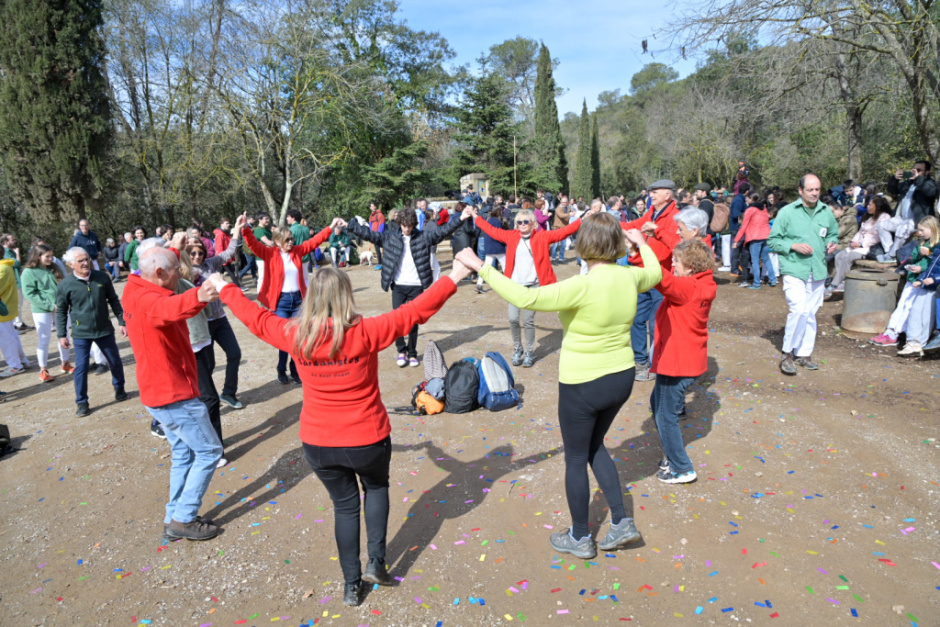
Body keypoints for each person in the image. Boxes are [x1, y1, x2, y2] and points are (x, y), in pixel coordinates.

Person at [213, 258, 473, 606]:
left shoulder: (295, 334)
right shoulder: (364, 332)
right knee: (376, 488)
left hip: (319, 443)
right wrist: (456, 273)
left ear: (310, 298)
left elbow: (255, 318)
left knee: (345, 508)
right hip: (367, 438)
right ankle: (376, 563)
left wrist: (223, 286)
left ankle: (352, 586)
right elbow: (416, 311)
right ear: (346, 296)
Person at [456, 216, 662, 560]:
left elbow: (524, 296)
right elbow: (654, 273)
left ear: (585, 245)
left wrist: (480, 266)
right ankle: (622, 521)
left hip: (583, 382)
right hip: (621, 377)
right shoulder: (631, 276)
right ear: (616, 244)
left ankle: (581, 537)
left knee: (577, 456)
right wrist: (642, 243)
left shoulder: (580, 285)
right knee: (595, 445)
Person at [122, 240, 224, 541]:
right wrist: (201, 295)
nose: (178, 275)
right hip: (173, 394)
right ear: (158, 273)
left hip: (159, 393)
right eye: (173, 271)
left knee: (183, 454)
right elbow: (168, 308)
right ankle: (183, 517)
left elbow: (167, 300)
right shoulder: (149, 301)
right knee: (209, 450)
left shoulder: (136, 287)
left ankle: (174, 514)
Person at [345, 207, 472, 367]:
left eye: (409, 226)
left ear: (413, 224)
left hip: (416, 286)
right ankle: (401, 351)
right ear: (400, 224)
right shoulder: (390, 238)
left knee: (413, 322)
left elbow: (443, 231)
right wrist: (350, 225)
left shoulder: (424, 237)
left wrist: (460, 218)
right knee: (396, 321)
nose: (406, 229)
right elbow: (370, 234)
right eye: (404, 225)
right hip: (398, 286)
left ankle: (412, 353)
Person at [473, 206, 589, 367]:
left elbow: (563, 232)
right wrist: (476, 217)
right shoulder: (511, 236)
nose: (522, 224)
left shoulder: (542, 237)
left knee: (528, 320)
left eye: (525, 221)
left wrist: (581, 220)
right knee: (513, 319)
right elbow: (491, 230)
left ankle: (528, 352)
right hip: (514, 286)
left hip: (533, 286)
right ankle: (517, 349)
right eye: (519, 221)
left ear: (533, 223)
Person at [243, 213, 340, 384]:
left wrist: (331, 227)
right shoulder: (269, 253)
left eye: (291, 239)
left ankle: (295, 370)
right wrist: (245, 229)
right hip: (281, 302)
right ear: (278, 241)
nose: (291, 242)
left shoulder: (297, 251)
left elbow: (315, 241)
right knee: (284, 338)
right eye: (287, 239)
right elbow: (252, 244)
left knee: (298, 337)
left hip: (298, 301)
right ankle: (281, 368)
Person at [649, 239, 716, 484]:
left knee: (665, 415)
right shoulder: (703, 283)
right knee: (658, 404)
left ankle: (681, 467)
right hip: (685, 360)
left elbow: (660, 278)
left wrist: (641, 248)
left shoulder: (688, 288)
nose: (672, 264)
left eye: (676, 261)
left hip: (676, 363)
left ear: (689, 267)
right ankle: (672, 455)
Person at [768, 174, 839, 375]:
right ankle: (787, 354)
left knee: (809, 313)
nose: (815, 193)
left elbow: (833, 233)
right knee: (798, 309)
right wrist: (793, 245)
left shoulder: (826, 212)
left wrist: (832, 243)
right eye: (810, 189)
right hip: (794, 268)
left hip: (817, 269)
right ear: (800, 191)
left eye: (817, 189)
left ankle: (805, 354)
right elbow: (773, 241)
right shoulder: (787, 212)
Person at [56, 247, 128, 416]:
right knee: (81, 368)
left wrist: (121, 321)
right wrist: (61, 334)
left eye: (87, 259)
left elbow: (113, 300)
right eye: (80, 261)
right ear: (70, 264)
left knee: (115, 361)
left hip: (104, 329)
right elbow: (61, 311)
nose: (85, 263)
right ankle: (82, 402)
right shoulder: (65, 285)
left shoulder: (102, 278)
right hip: (81, 333)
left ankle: (119, 389)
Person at [188, 214, 248, 409]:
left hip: (220, 319)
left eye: (200, 252)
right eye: (192, 253)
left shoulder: (210, 263)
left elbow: (230, 251)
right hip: (202, 324)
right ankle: (205, 399)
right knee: (207, 366)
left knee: (235, 353)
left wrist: (237, 228)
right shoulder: (183, 271)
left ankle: (228, 393)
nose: (197, 256)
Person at [628, 180, 682, 382]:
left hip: (662, 278)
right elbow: (632, 226)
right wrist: (605, 221)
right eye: (650, 192)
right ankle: (641, 362)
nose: (650, 195)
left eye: (655, 192)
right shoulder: (651, 213)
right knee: (637, 320)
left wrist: (658, 231)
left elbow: (677, 245)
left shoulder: (676, 216)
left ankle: (658, 364)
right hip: (643, 275)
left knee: (656, 324)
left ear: (668, 195)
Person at [869, 216, 940, 356]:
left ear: (933, 229)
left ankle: (912, 340)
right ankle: (905, 339)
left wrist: (928, 264)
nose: (920, 233)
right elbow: (926, 261)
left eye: (922, 230)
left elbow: (933, 264)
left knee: (920, 313)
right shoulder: (922, 242)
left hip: (929, 283)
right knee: (909, 308)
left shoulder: (935, 246)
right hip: (919, 280)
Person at [21, 244, 72, 382]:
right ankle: (43, 370)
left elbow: (63, 285)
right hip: (41, 311)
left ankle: (65, 363)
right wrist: (49, 306)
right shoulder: (28, 272)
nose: (51, 259)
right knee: (44, 339)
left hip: (60, 308)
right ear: (38, 257)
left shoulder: (53, 268)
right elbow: (30, 294)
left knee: (65, 334)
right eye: (47, 256)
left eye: (52, 256)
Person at [827, 196, 893, 295]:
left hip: (871, 247)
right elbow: (859, 232)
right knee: (839, 255)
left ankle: (835, 284)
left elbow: (879, 236)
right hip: (858, 245)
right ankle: (842, 281)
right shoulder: (868, 217)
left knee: (848, 257)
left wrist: (862, 244)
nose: (868, 206)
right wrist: (853, 242)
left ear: (877, 206)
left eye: (870, 204)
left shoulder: (884, 217)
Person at [878, 161, 939, 263]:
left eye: (919, 170)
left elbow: (931, 192)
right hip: (902, 218)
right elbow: (892, 190)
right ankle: (890, 252)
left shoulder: (929, 183)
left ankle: (891, 255)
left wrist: (918, 178)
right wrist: (895, 179)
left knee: (903, 228)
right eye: (914, 169)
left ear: (927, 172)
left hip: (918, 220)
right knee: (881, 225)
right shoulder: (909, 183)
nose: (915, 172)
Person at [734, 192, 777, 289]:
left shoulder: (750, 210)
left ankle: (757, 283)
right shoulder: (764, 209)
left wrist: (736, 240)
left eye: (747, 199)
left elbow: (743, 226)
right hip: (766, 236)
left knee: (755, 261)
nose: (746, 200)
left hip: (755, 237)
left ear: (751, 199)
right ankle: (773, 279)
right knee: (766, 259)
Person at [0, 255, 29, 376]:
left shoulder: (2, 269)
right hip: (6, 308)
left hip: (3, 309)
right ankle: (21, 361)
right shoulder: (5, 267)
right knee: (11, 336)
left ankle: (15, 366)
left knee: (6, 338)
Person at [475, 206, 509, 294]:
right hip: (498, 247)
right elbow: (499, 234)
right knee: (505, 266)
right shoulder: (497, 221)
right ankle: (509, 285)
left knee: (485, 267)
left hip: (489, 247)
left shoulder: (489, 220)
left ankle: (479, 284)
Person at [1, 233, 31, 331]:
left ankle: (19, 323)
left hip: (15, 281)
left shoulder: (10, 251)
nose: (15, 241)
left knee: (19, 303)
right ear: (6, 242)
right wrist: (18, 253)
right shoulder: (6, 252)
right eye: (12, 239)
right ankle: (17, 325)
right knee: (16, 303)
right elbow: (17, 263)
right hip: (12, 282)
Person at [213, 218, 242, 287]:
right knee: (231, 273)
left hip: (226, 257)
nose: (228, 225)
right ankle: (238, 287)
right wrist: (222, 259)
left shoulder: (225, 233)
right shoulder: (220, 234)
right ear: (221, 224)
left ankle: (218, 287)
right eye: (226, 223)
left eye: (228, 223)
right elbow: (219, 247)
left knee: (219, 273)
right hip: (223, 258)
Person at [251, 212, 274, 291]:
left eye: (268, 218)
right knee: (262, 277)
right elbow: (269, 243)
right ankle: (260, 294)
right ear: (259, 220)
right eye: (266, 219)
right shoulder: (259, 230)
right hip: (261, 258)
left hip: (269, 256)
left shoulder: (266, 229)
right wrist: (279, 243)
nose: (268, 220)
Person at [551, 197, 572, 262]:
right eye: (562, 202)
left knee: (563, 244)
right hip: (557, 228)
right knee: (556, 245)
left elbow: (568, 217)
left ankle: (561, 259)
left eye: (565, 202)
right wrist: (569, 214)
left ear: (567, 203)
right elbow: (561, 215)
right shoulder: (558, 209)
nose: (563, 204)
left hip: (564, 229)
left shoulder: (568, 209)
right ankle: (554, 258)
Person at [368, 202, 386, 269]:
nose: (373, 207)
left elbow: (382, 225)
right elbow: (370, 225)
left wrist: (379, 235)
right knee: (377, 250)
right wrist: (371, 234)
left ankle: (385, 263)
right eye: (372, 206)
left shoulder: (380, 215)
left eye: (374, 206)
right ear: (370, 208)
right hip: (374, 235)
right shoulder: (371, 216)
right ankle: (379, 263)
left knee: (384, 249)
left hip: (380, 235)